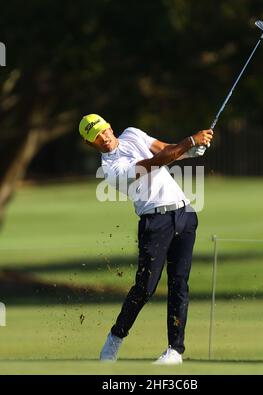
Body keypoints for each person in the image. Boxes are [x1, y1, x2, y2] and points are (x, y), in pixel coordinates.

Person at [79, 114, 213, 365]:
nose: (104, 138)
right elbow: (152, 163)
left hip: (184, 214)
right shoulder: (110, 170)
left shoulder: (131, 133)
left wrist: (189, 152)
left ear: (110, 126)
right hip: (155, 222)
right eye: (96, 137)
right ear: (90, 144)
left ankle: (175, 351)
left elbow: (164, 149)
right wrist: (189, 141)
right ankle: (115, 337)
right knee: (145, 288)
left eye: (103, 130)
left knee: (179, 285)